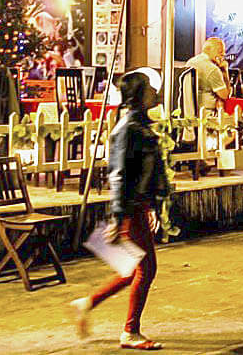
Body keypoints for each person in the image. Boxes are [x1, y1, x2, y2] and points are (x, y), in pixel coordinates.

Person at [70, 69, 169, 350]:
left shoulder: (140, 124)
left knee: (134, 268)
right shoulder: (126, 129)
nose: (155, 91)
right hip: (130, 207)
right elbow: (119, 174)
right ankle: (129, 331)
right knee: (145, 269)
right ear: (137, 95)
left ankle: (87, 304)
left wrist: (152, 206)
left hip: (139, 205)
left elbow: (146, 173)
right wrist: (119, 216)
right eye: (149, 87)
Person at [186, 37, 231, 114]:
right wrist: (225, 71)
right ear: (208, 49)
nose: (223, 54)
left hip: (189, 111)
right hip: (208, 114)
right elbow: (225, 95)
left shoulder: (190, 62)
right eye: (220, 51)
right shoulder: (213, 69)